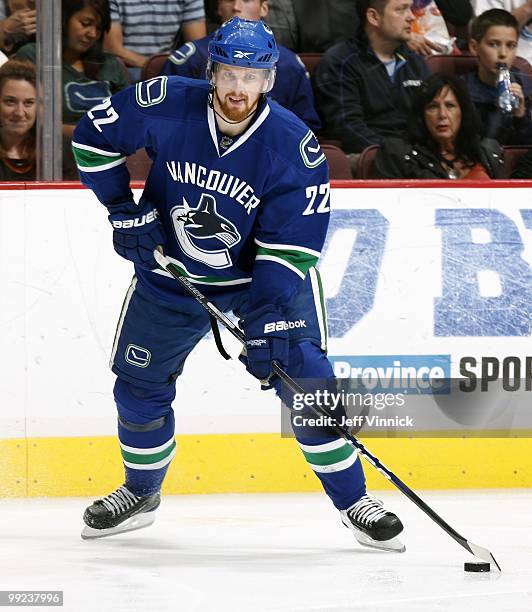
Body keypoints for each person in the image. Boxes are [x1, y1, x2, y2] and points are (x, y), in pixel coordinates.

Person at [72, 17, 405, 551]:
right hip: (170, 274)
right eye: (228, 73)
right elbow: (93, 139)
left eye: (250, 77)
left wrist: (268, 315)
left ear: (269, 81)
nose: (237, 88)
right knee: (137, 390)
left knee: (310, 384)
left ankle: (353, 501)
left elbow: (290, 247)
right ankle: (140, 493)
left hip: (259, 285)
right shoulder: (166, 102)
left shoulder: (293, 147)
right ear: (212, 72)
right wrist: (122, 210)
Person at [161, 0, 321, 131]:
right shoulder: (192, 58)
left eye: (246, 0)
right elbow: (164, 119)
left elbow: (304, 128)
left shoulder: (289, 64)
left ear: (264, 8)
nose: (236, 7)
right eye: (229, 0)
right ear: (218, 7)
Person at [313, 0, 431, 163]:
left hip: (417, 156)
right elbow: (348, 129)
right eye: (401, 10)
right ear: (373, 17)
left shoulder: (415, 62)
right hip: (369, 156)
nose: (411, 17)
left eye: (410, 9)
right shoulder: (340, 62)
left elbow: (430, 119)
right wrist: (400, 154)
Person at [17, 0, 129, 139]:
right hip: (54, 152)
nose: (92, 34)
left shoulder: (111, 64)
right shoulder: (34, 57)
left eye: (99, 28)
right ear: (63, 19)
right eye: (86, 24)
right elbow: (25, 117)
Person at [373, 73, 506, 179]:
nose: (442, 114)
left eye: (450, 106)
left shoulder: (488, 150)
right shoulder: (397, 152)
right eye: (433, 107)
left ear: (463, 112)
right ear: (422, 115)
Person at [0, 58, 78, 180]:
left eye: (29, 103)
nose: (20, 113)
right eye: (10, 102)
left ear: (40, 106)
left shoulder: (60, 149)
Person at [464, 8, 532, 145]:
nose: (503, 54)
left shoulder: (526, 88)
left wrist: (521, 117)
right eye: (493, 44)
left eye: (511, 45)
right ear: (473, 47)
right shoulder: (461, 90)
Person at [104, 0, 206, 81]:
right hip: (126, 68)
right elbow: (112, 48)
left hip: (169, 67)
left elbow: (198, 49)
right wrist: (156, 67)